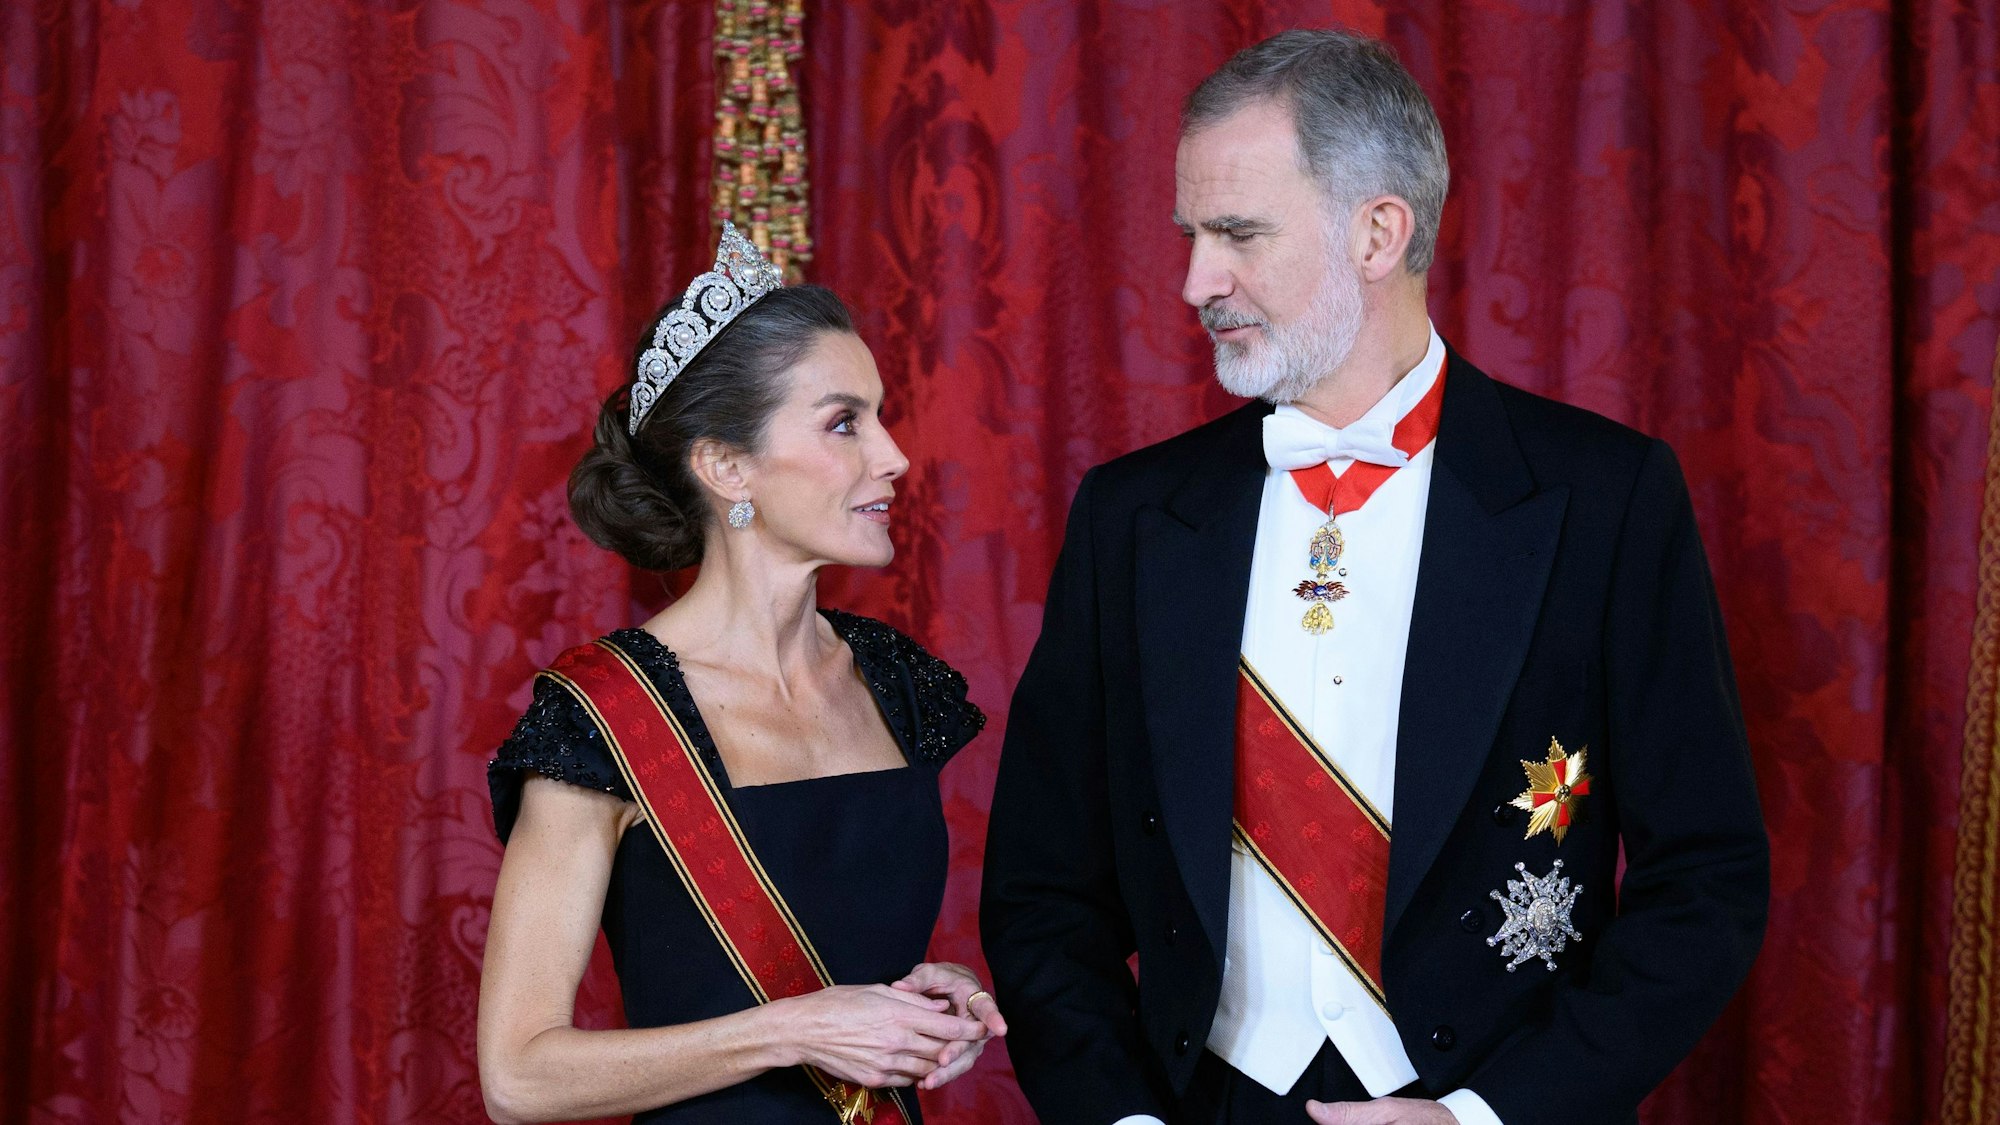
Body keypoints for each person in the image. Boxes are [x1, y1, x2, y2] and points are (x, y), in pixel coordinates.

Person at [981, 29, 1768, 1125]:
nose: (1194, 280)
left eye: (1235, 234)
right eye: (1190, 235)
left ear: (1377, 231)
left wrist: (1486, 1116)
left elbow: (1706, 879)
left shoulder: (1604, 498)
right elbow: (1038, 891)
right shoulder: (1132, 516)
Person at [478, 223, 1005, 1125]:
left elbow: (853, 965)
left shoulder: (897, 685)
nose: (894, 457)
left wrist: (926, 998)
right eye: (845, 422)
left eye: (880, 417)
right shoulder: (600, 719)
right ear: (727, 466)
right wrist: (794, 1029)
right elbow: (519, 1076)